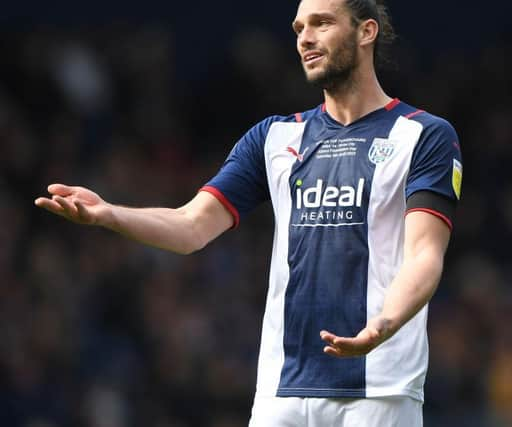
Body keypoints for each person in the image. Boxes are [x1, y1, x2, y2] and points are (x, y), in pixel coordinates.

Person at [35, 0, 463, 425]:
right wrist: (110, 214)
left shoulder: (424, 135)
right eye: (298, 29)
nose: (305, 39)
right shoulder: (274, 137)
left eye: (321, 24)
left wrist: (382, 326)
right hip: (281, 391)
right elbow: (191, 227)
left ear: (366, 31)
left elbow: (424, 255)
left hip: (380, 385)